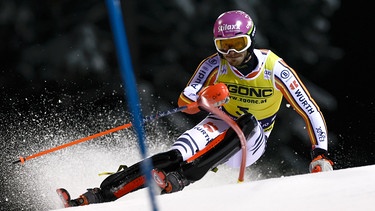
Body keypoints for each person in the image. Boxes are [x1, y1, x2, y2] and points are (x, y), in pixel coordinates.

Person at [57, 10, 333, 207]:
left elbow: (309, 109)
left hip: (252, 139)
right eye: (225, 46)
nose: (232, 53)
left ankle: (183, 179)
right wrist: (203, 99)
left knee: (247, 122)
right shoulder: (214, 64)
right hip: (221, 124)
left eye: (238, 45)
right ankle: (98, 196)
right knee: (177, 153)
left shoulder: (274, 68)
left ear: (251, 41)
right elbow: (184, 101)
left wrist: (320, 154)